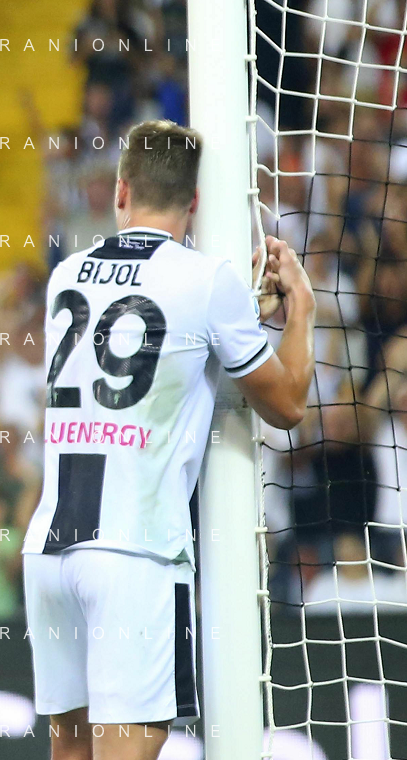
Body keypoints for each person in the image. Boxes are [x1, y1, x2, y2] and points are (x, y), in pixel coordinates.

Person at [22, 119, 317, 760]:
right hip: (135, 551)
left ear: (121, 191)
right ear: (196, 202)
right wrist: (301, 310)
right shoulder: (206, 281)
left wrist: (236, 323)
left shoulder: (65, 276)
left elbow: (151, 344)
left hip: (49, 549)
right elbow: (289, 404)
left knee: (70, 749)